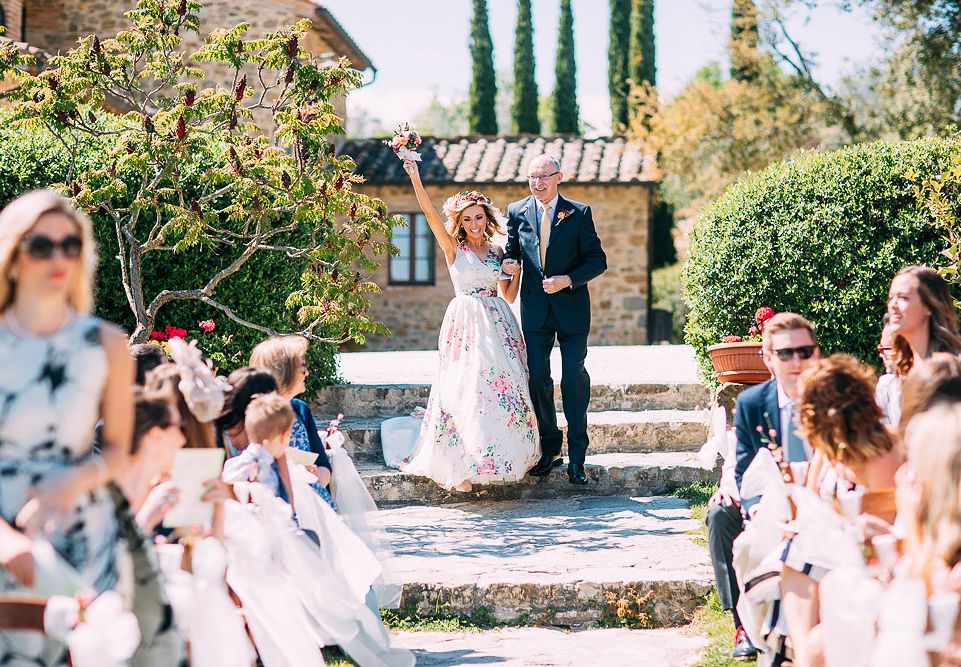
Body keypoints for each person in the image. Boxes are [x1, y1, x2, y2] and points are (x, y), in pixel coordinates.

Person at [0, 190, 134, 665]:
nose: (59, 258)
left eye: (71, 245)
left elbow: (118, 451)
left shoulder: (107, 344)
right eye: (42, 246)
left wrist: (75, 478)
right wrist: (5, 538)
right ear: (13, 256)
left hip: (85, 533)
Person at [390, 158, 539, 492]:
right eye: (468, 218)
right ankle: (461, 465)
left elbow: (509, 295)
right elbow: (429, 213)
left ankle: (497, 458)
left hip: (498, 322)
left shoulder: (498, 251)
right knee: (464, 387)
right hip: (466, 322)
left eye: (478, 217)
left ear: (486, 219)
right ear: (460, 221)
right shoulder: (452, 248)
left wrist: (514, 274)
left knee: (499, 388)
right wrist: (414, 174)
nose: (473, 223)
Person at [783, 354, 904, 666]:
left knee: (800, 558)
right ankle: (801, 650)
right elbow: (809, 502)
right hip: (830, 548)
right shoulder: (830, 450)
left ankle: (807, 653)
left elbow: (883, 524)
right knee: (792, 552)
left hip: (873, 554)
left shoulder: (881, 451)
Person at [504, 154, 607, 485]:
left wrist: (568, 279)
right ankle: (550, 450)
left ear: (559, 177)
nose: (537, 182)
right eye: (532, 177)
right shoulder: (518, 211)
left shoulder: (579, 213)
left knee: (573, 379)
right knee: (537, 379)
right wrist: (508, 265)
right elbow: (511, 251)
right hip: (534, 310)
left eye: (544, 176)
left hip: (573, 309)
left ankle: (578, 458)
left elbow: (597, 260)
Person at [734, 313, 821, 514]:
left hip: (827, 505)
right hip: (772, 509)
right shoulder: (751, 404)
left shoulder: (838, 398)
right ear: (768, 359)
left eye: (805, 352)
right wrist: (757, 511)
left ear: (815, 354)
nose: (796, 361)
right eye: (785, 354)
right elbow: (745, 474)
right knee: (719, 516)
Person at [249, 335, 335, 508]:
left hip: (312, 504)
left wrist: (315, 474)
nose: (307, 373)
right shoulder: (252, 413)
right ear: (283, 373)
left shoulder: (300, 409)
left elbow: (324, 466)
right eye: (302, 369)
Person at [887, 265, 961, 378]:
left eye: (903, 298)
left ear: (929, 306)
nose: (893, 305)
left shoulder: (953, 368)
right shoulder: (900, 370)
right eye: (891, 298)